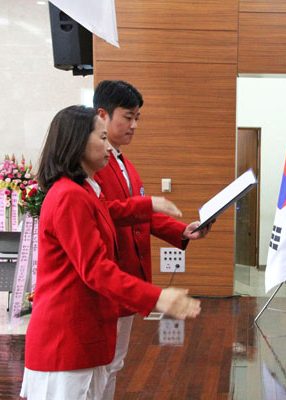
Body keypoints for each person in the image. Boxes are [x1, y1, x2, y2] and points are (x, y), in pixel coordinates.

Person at [20, 105, 201, 400]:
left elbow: (111, 212)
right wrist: (157, 297)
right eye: (102, 138)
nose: (109, 147)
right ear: (77, 142)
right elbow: (96, 269)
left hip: (84, 334)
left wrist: (149, 205)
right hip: (66, 340)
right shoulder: (69, 196)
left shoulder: (85, 191)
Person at [92, 80, 211, 399]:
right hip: (111, 275)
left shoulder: (123, 162)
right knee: (103, 364)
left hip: (130, 272)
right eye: (128, 117)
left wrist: (181, 230)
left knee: (114, 363)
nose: (134, 125)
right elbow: (103, 211)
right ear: (102, 115)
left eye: (138, 118)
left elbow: (140, 215)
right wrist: (147, 204)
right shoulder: (94, 163)